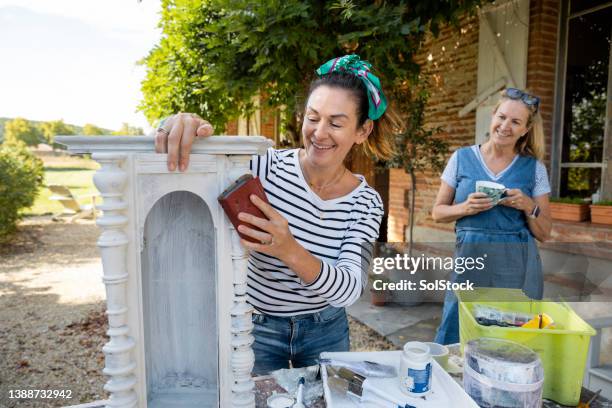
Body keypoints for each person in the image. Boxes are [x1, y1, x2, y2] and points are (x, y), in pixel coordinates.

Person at [154, 54, 402, 373]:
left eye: (336, 123)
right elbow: (199, 165)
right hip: (258, 327)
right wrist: (176, 125)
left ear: (362, 130)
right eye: (312, 118)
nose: (319, 133)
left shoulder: (366, 201)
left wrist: (288, 248)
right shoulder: (265, 167)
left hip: (325, 330)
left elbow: (349, 289)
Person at [431, 88, 552, 345]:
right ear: (493, 115)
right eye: (502, 116)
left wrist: (528, 205)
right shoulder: (461, 158)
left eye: (516, 121)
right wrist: (466, 208)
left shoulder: (535, 169)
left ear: (525, 130)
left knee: (510, 339)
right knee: (458, 331)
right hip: (470, 261)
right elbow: (437, 212)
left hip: (516, 268)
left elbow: (544, 232)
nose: (505, 126)